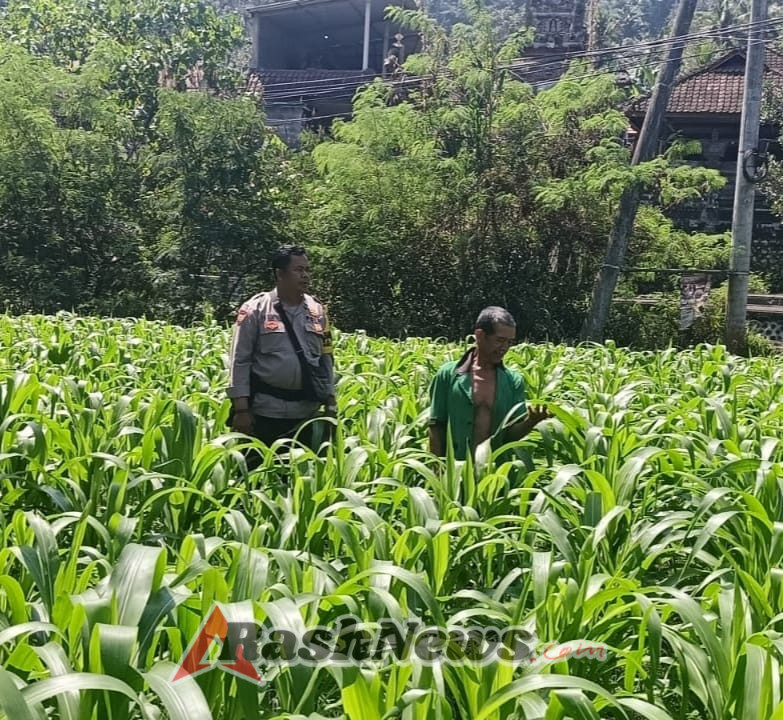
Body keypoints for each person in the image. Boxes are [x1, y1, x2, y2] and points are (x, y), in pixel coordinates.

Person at [226, 245, 337, 459]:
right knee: (257, 477)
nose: (305, 276)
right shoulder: (255, 310)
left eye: (307, 270)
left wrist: (331, 404)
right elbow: (239, 361)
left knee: (301, 482)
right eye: (298, 270)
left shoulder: (318, 311)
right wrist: (241, 410)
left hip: (307, 415)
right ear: (279, 274)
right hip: (264, 412)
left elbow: (326, 359)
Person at [428, 306, 551, 461]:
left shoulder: (513, 382)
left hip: (494, 472)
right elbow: (436, 425)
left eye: (509, 342)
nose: (505, 348)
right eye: (499, 340)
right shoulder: (447, 375)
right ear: (480, 335)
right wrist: (437, 468)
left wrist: (530, 422)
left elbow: (510, 436)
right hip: (455, 469)